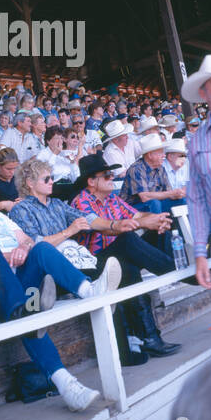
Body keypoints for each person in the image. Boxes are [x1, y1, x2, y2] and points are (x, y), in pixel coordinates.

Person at [0, 165, 118, 411]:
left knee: (41, 248)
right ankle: (66, 382)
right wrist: (10, 254)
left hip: (18, 285)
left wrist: (24, 248)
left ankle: (87, 290)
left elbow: (26, 239)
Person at [67, 154, 183, 361]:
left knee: (133, 257)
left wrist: (154, 220)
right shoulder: (80, 202)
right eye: (106, 175)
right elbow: (100, 225)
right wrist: (136, 224)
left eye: (111, 174)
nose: (112, 178)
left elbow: (136, 215)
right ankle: (179, 273)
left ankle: (150, 338)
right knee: (126, 241)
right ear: (91, 181)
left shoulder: (111, 198)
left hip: (117, 255)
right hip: (95, 262)